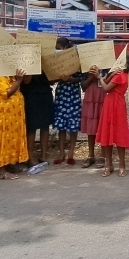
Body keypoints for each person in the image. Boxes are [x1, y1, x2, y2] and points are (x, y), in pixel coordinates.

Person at [0, 68, 29, 180]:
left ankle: (8, 164)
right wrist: (18, 81)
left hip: (12, 117)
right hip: (3, 115)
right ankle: (0, 171)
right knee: (2, 139)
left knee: (10, 139)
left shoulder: (10, 76)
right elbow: (7, 93)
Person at [96, 60, 129, 177]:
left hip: (114, 102)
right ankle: (112, 164)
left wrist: (99, 77)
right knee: (109, 133)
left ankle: (116, 164)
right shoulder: (119, 75)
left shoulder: (120, 76)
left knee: (118, 134)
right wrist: (110, 75)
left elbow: (105, 87)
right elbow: (107, 81)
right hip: (114, 103)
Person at [52, 38, 83, 166]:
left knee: (73, 124)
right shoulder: (56, 59)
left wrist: (70, 79)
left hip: (73, 92)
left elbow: (81, 78)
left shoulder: (76, 58)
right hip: (62, 92)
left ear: (65, 48)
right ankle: (61, 153)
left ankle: (71, 153)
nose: (57, 50)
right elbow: (52, 76)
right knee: (61, 124)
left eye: (58, 48)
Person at [22, 70, 54, 167]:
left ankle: (43, 156)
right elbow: (26, 81)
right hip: (31, 94)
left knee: (45, 125)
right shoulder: (27, 58)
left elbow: (52, 80)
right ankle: (30, 158)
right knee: (32, 127)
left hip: (45, 93)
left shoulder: (46, 58)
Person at [79, 65, 105, 168]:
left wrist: (99, 76)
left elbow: (109, 81)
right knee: (91, 125)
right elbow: (83, 86)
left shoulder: (107, 65)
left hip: (103, 94)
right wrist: (91, 77)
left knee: (103, 125)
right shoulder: (87, 64)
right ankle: (91, 155)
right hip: (90, 95)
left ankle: (103, 156)